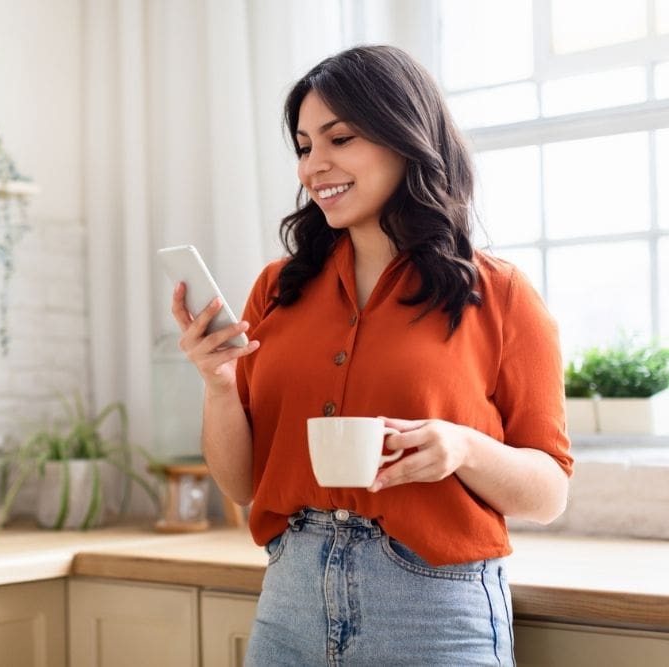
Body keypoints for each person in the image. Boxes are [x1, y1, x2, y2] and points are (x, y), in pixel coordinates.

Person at [170, 45, 573, 666]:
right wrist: (219, 384)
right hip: (290, 602)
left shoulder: (499, 295)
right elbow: (242, 484)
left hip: (434, 612)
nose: (314, 166)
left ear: (405, 138)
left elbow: (547, 495)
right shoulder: (277, 289)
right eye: (304, 146)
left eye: (340, 139)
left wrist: (462, 447)